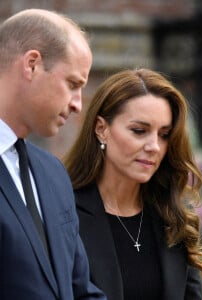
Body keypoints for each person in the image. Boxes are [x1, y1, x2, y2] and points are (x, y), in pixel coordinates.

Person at [64, 68, 202, 300]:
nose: (154, 146)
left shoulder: (173, 216)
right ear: (101, 129)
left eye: (164, 134)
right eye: (139, 131)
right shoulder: (64, 213)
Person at [0, 9, 106, 300]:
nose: (77, 104)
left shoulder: (53, 173)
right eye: (73, 84)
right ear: (32, 64)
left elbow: (80, 289)